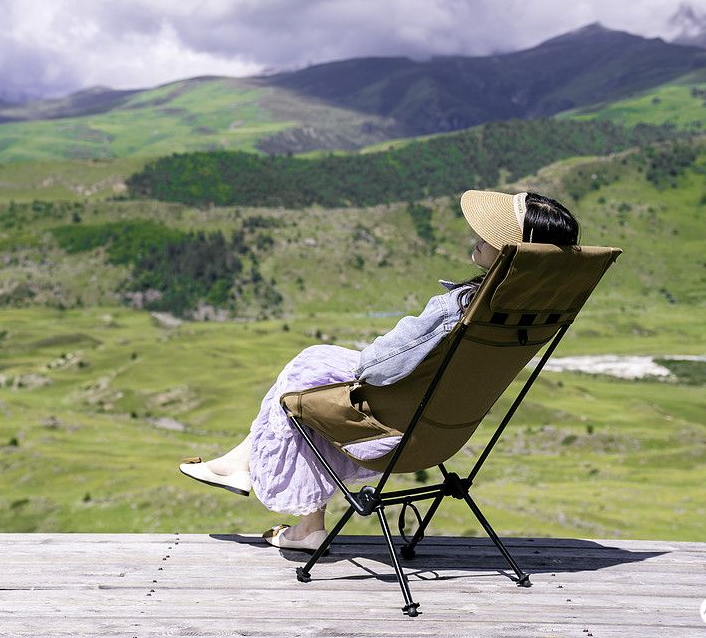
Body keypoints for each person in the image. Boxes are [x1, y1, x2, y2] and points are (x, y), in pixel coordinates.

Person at [179, 190, 580, 551]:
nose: (478, 234)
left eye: (493, 233)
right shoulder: (527, 316)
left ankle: (292, 511)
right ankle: (246, 469)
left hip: (386, 431)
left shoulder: (456, 308)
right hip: (443, 434)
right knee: (312, 366)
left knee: (307, 368)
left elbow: (376, 368)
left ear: (514, 250)